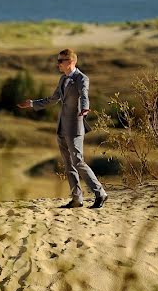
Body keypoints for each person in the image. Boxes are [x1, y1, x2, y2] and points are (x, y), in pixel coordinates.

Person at [18, 49, 108, 209]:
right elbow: (53, 99)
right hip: (62, 127)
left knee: (78, 162)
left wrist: (85, 108)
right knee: (68, 164)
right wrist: (32, 103)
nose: (58, 64)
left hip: (75, 127)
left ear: (71, 62)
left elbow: (84, 94)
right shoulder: (62, 79)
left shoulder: (81, 78)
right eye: (58, 60)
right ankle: (76, 199)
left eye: (61, 61)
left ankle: (100, 193)